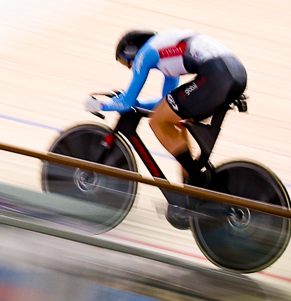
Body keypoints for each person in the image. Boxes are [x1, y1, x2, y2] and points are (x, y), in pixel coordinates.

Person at [85, 28, 247, 191]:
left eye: (123, 60)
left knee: (157, 123)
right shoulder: (167, 56)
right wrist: (137, 104)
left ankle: (198, 178)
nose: (128, 67)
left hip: (216, 75)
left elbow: (127, 103)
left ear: (131, 51)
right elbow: (165, 102)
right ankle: (191, 188)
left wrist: (98, 105)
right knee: (172, 119)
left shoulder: (145, 53)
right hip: (234, 74)